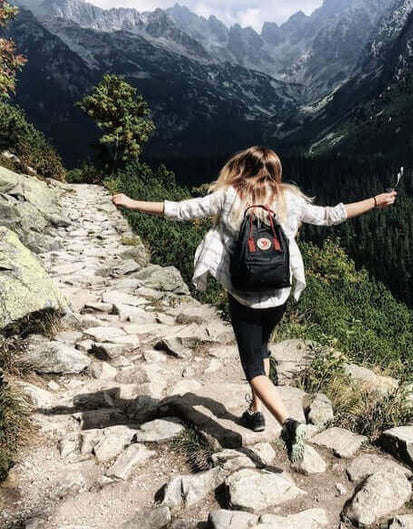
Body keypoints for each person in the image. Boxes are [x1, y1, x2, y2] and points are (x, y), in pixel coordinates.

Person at [111, 146, 397, 462]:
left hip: (244, 294)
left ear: (242, 168)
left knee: (252, 365)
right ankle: (254, 412)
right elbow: (332, 215)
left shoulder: (228, 195)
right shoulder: (290, 198)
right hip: (279, 292)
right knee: (263, 350)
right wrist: (375, 201)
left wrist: (132, 203)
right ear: (275, 170)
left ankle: (287, 423)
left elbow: (182, 210)